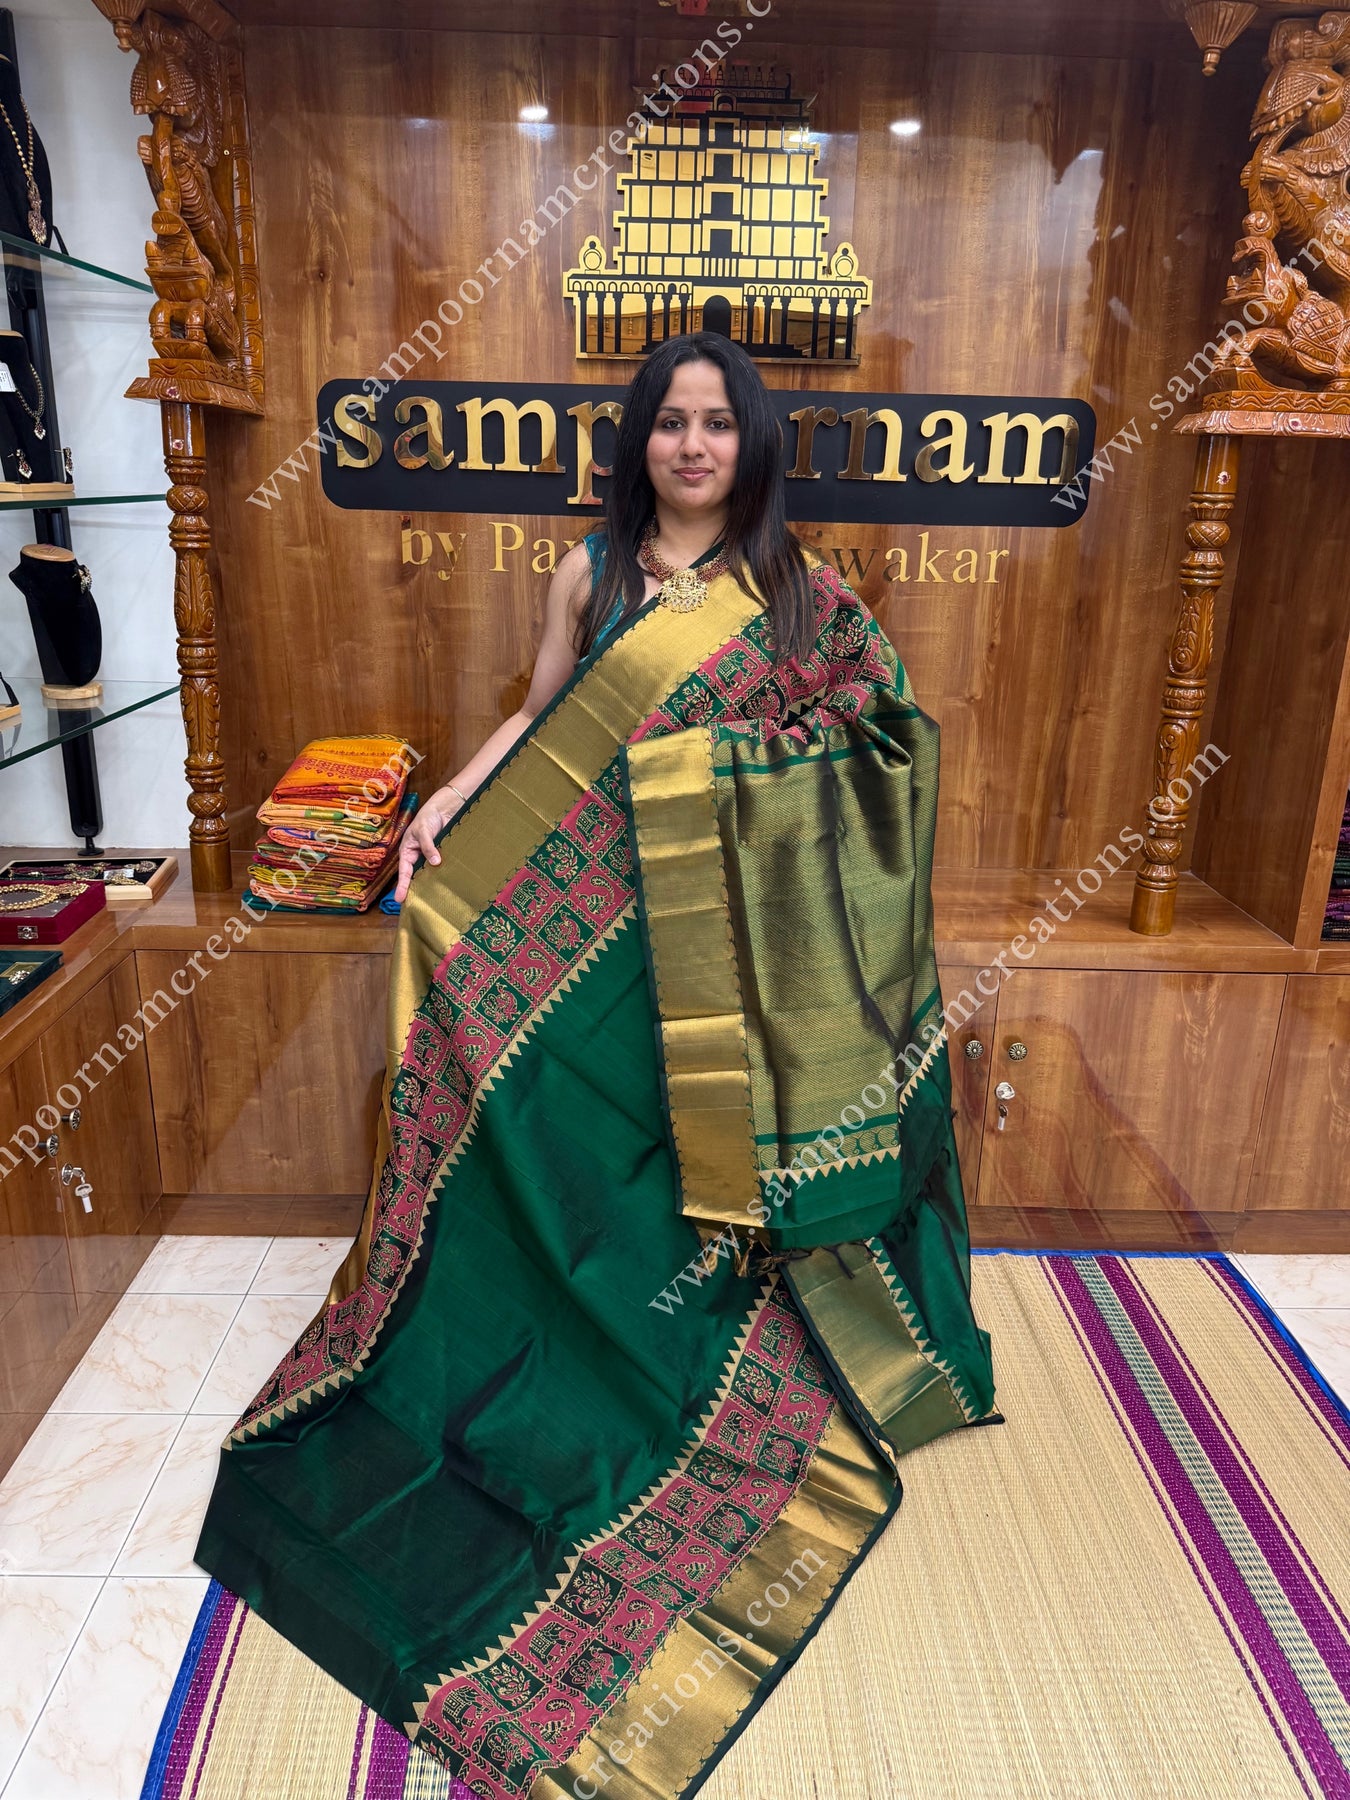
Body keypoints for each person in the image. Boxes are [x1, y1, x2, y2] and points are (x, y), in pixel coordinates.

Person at [193, 332, 997, 1800]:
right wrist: (450, 797)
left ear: (752, 444)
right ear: (638, 442)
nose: (692, 445)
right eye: (669, 422)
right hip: (590, 919)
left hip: (724, 953)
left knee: (692, 1154)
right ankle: (550, 1309)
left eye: (717, 424)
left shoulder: (805, 596)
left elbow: (884, 750)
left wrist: (742, 781)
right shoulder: (590, 574)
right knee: (533, 1094)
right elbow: (543, 712)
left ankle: (697, 1331)